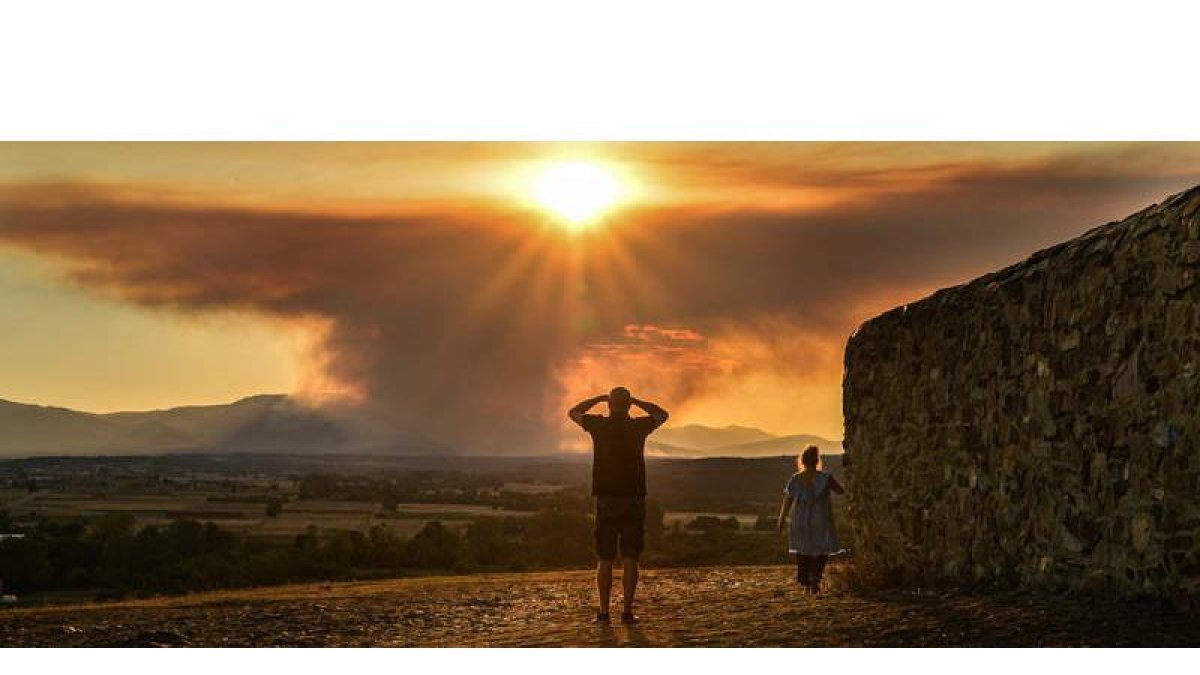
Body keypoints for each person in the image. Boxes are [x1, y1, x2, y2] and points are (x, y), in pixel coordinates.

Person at [568, 386, 668, 625]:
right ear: (629, 405)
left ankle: (603, 613)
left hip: (606, 499)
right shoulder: (638, 427)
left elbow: (573, 412)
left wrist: (598, 398)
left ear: (609, 405)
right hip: (633, 499)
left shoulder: (599, 425)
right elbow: (662, 414)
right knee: (631, 557)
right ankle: (627, 612)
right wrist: (639, 401)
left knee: (605, 558)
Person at [777, 445, 844, 593]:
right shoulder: (826, 477)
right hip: (820, 519)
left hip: (800, 520)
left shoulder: (795, 479)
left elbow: (787, 501)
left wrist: (781, 519)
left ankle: (806, 582)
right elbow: (840, 491)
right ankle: (815, 579)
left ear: (802, 460)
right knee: (820, 550)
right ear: (817, 460)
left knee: (803, 551)